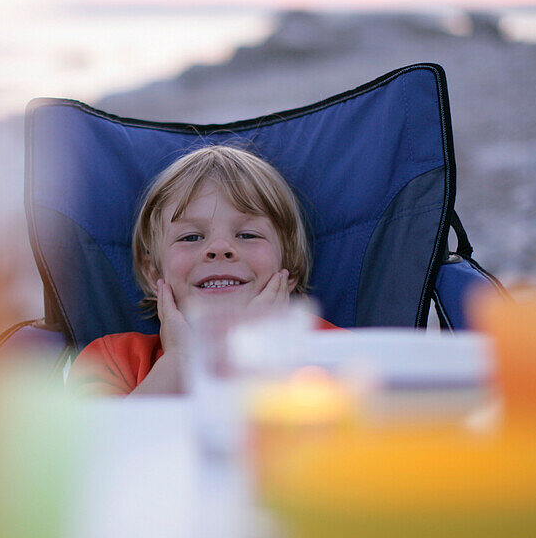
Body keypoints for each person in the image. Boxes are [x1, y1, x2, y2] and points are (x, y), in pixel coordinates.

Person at [68, 144, 336, 395]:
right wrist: (180, 361)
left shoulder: (332, 351)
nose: (219, 248)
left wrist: (255, 346)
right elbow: (105, 445)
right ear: (154, 274)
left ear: (290, 269)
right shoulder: (110, 360)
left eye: (247, 235)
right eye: (191, 237)